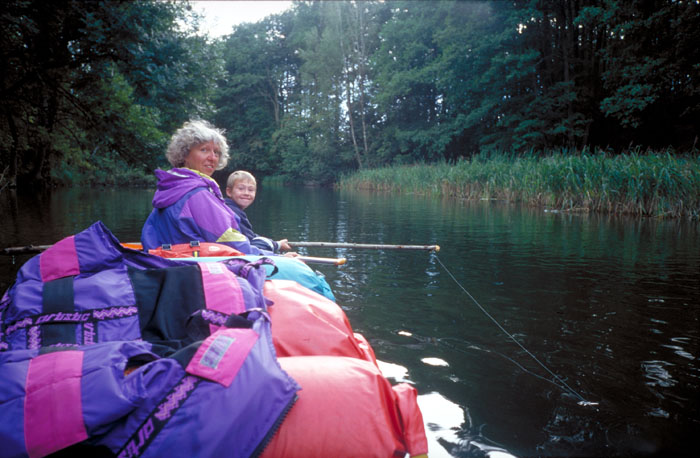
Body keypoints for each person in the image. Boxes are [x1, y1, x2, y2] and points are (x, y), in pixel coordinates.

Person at [141, 120, 269, 255]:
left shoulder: (171, 188)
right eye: (204, 150)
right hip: (191, 268)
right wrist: (270, 256)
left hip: (169, 264)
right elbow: (232, 244)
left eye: (217, 152)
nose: (212, 158)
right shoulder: (197, 194)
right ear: (184, 154)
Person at [224, 170, 294, 254]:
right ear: (229, 192)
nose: (246, 193)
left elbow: (251, 235)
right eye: (241, 188)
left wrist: (275, 243)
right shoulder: (233, 212)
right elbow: (251, 241)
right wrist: (276, 245)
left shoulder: (228, 207)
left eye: (251, 190)